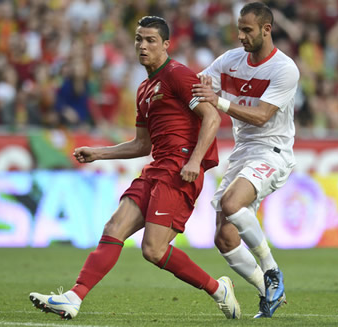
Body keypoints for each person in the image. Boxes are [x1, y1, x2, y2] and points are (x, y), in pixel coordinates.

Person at [29, 16, 241, 321]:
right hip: (156, 168)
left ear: (166, 44)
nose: (143, 45)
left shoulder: (179, 75)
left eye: (150, 40)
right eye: (139, 39)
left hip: (180, 170)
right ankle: (73, 297)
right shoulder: (144, 89)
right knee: (114, 228)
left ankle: (218, 289)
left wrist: (195, 161)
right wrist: (99, 153)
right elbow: (142, 144)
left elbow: (212, 117)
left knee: (153, 250)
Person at [191, 2, 299, 319]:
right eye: (239, 29)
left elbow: (263, 117)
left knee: (232, 203)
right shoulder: (230, 61)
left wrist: (220, 102)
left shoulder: (284, 68)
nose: (241, 36)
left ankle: (271, 270)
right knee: (223, 237)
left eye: (247, 30)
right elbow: (199, 83)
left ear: (267, 29)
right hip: (243, 152)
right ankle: (269, 293)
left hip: (273, 150)